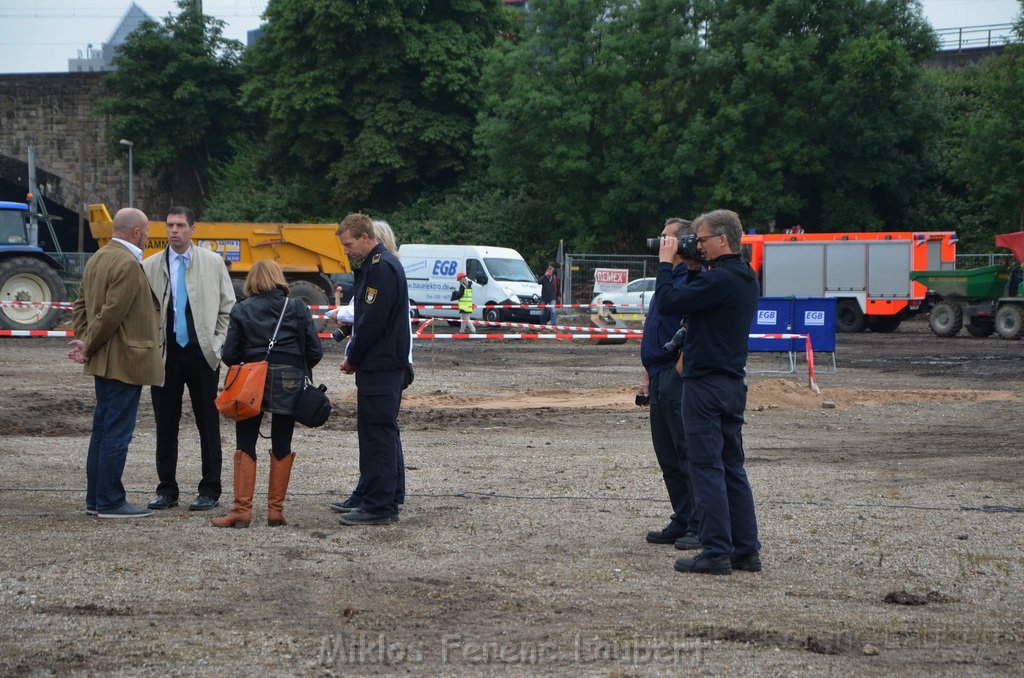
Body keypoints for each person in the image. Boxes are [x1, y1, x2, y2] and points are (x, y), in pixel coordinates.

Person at [655, 209, 762, 575]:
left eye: (701, 240)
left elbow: (668, 304)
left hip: (705, 385)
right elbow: (707, 305)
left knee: (706, 468)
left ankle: (716, 551)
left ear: (722, 239)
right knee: (732, 467)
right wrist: (696, 267)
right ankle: (745, 550)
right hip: (732, 383)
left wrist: (667, 265)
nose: (697, 246)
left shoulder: (721, 281)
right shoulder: (744, 277)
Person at [211, 260, 323, 528]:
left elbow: (229, 354)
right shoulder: (297, 306)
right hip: (289, 380)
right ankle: (275, 512)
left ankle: (241, 511)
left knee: (245, 442)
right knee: (282, 443)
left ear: (251, 280)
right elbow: (315, 351)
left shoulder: (241, 308)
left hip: (251, 380)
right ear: (278, 278)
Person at [68, 207, 162, 519]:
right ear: (136, 232)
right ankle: (110, 501)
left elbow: (81, 303)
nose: (148, 236)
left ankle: (95, 499)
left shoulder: (98, 258)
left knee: (103, 429)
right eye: (146, 230)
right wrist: (89, 343)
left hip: (104, 359)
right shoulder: (127, 263)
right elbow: (112, 313)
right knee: (117, 432)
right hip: (124, 359)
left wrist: (83, 340)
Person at [142, 206, 235, 512]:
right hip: (166, 354)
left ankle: (210, 489)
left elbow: (227, 307)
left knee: (208, 424)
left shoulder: (212, 263)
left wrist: (216, 344)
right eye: (169, 225)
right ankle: (166, 490)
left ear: (193, 229)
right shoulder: (151, 265)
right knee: (164, 424)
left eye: (180, 225)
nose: (174, 231)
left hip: (201, 353)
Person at [330, 220, 410, 518]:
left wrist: (353, 356)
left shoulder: (380, 268)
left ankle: (379, 505)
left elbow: (372, 322)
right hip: (383, 363)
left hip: (382, 364)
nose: (347, 251)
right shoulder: (379, 265)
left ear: (365, 237)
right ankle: (381, 496)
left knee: (377, 434)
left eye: (349, 245)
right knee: (380, 432)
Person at [640, 218, 700, 551]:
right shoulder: (668, 276)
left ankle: (699, 522)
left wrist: (677, 369)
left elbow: (679, 314)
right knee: (667, 454)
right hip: (658, 372)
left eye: (667, 238)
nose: (661, 242)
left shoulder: (686, 277)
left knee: (685, 451)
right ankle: (683, 515)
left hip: (676, 375)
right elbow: (657, 326)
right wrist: (647, 374)